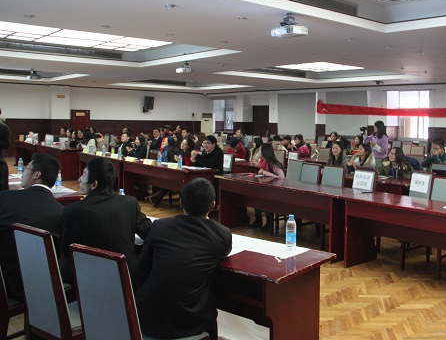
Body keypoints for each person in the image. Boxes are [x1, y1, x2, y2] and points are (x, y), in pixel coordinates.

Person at [135, 178, 231, 339]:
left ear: (181, 204)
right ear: (212, 206)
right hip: (189, 320)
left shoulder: (159, 226)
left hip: (147, 315)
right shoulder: (222, 235)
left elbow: (142, 270)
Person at [60, 157, 152, 287]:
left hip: (89, 279)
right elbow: (149, 232)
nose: (79, 179)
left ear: (94, 184)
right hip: (128, 277)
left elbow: (66, 249)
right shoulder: (129, 203)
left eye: (83, 175)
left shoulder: (72, 211)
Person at [0, 153, 63, 301]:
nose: (22, 173)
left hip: (5, 284)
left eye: (26, 168)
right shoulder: (61, 212)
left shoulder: (4, 199)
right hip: (41, 288)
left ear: (36, 174)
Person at [253, 144, 285, 231]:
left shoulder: (274, 164)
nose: (258, 152)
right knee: (255, 197)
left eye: (260, 150)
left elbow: (282, 178)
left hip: (277, 191)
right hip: (267, 189)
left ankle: (269, 222)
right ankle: (258, 220)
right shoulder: (263, 163)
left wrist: (266, 173)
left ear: (264, 152)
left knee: (265, 199)